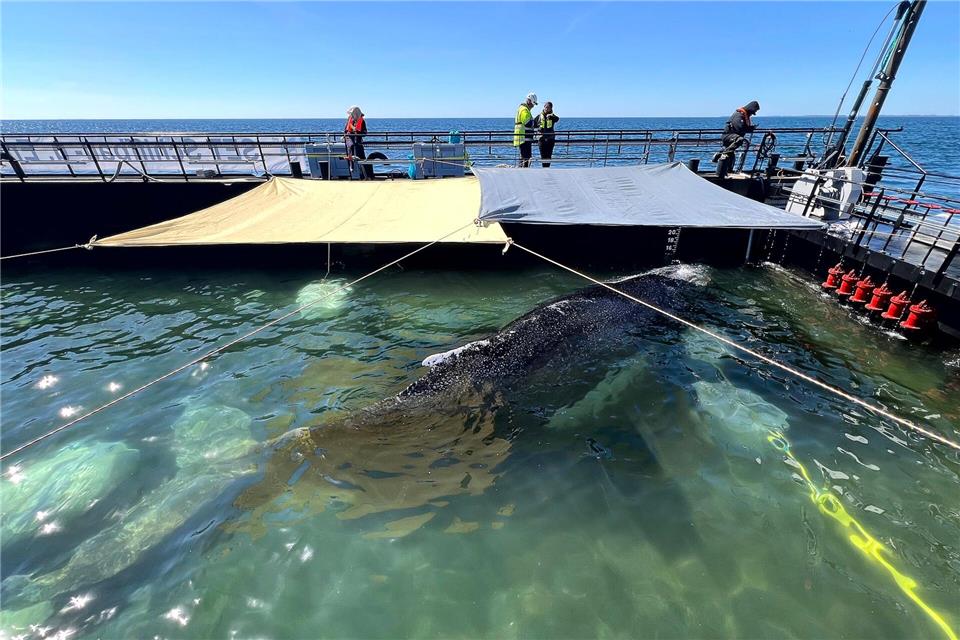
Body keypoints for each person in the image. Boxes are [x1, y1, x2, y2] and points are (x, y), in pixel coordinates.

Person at [713, 100, 759, 178]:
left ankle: (728, 169)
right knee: (740, 140)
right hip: (728, 136)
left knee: (731, 155)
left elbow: (743, 128)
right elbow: (740, 128)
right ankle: (721, 153)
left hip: (733, 136)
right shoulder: (739, 115)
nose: (751, 115)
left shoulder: (743, 116)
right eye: (752, 113)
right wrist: (749, 129)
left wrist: (751, 128)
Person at [344, 106, 369, 179]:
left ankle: (365, 175)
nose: (351, 115)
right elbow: (345, 130)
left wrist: (356, 130)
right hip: (350, 143)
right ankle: (353, 175)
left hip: (358, 143)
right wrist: (346, 134)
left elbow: (364, 133)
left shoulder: (362, 121)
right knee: (351, 158)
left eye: (352, 114)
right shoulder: (350, 120)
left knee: (361, 159)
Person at [513, 93, 538, 168]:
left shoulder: (523, 108)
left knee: (523, 157)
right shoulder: (524, 110)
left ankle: (522, 171)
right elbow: (527, 123)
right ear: (529, 101)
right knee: (526, 157)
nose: (533, 106)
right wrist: (536, 122)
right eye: (533, 104)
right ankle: (524, 173)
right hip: (524, 137)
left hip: (523, 137)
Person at [534, 102, 560, 168]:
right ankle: (544, 169)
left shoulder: (552, 116)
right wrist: (538, 129)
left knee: (549, 156)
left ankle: (547, 169)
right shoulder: (539, 116)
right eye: (546, 107)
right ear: (544, 107)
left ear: (551, 108)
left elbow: (557, 119)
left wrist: (551, 116)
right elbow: (533, 123)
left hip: (550, 139)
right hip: (541, 139)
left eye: (548, 107)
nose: (547, 109)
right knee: (543, 156)